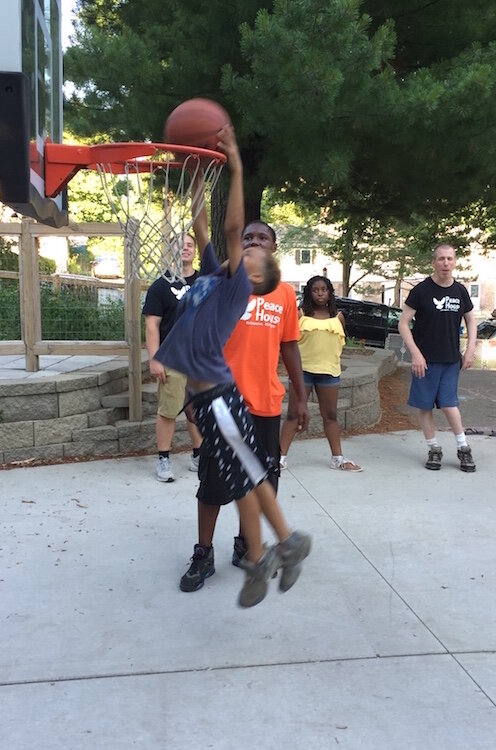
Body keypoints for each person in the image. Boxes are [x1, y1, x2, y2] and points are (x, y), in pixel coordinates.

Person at [153, 125, 311, 607]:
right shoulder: (212, 276)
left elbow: (229, 227)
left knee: (249, 476)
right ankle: (275, 549)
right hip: (209, 398)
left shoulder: (237, 287)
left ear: (256, 278)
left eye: (254, 253)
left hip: (221, 397)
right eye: (245, 247)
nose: (245, 249)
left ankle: (279, 546)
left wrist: (237, 166)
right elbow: (207, 227)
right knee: (242, 477)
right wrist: (198, 178)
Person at [179, 215, 311, 593]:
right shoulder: (225, 284)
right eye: (247, 236)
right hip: (220, 398)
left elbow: (289, 346)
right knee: (213, 484)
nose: (253, 240)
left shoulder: (283, 293)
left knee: (258, 479)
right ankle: (204, 553)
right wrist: (193, 394)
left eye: (262, 237)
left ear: (272, 250)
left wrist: (301, 397)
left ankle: (249, 547)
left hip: (264, 402)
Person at [398, 243, 477, 472]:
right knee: (425, 406)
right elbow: (403, 323)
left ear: (454, 262)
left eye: (449, 259)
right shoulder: (421, 291)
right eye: (441, 259)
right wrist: (415, 354)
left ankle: (463, 448)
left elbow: (471, 320)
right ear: (434, 262)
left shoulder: (460, 291)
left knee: (450, 403)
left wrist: (470, 349)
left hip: (451, 359)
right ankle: (434, 448)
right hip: (425, 360)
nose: (445, 263)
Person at [279, 275, 362, 472]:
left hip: (329, 372)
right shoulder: (300, 314)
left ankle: (337, 458)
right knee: (293, 414)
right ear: (309, 292)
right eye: (315, 290)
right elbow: (288, 342)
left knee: (330, 415)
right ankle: (280, 458)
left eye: (323, 290)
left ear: (330, 293)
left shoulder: (338, 316)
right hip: (302, 372)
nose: (319, 293)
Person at [142, 234, 202, 482]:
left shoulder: (205, 282)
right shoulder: (160, 286)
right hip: (172, 357)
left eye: (189, 245)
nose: (185, 249)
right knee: (168, 410)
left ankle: (199, 455)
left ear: (195, 251)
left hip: (200, 358)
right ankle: (164, 459)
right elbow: (152, 325)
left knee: (197, 409)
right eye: (179, 246)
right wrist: (155, 358)